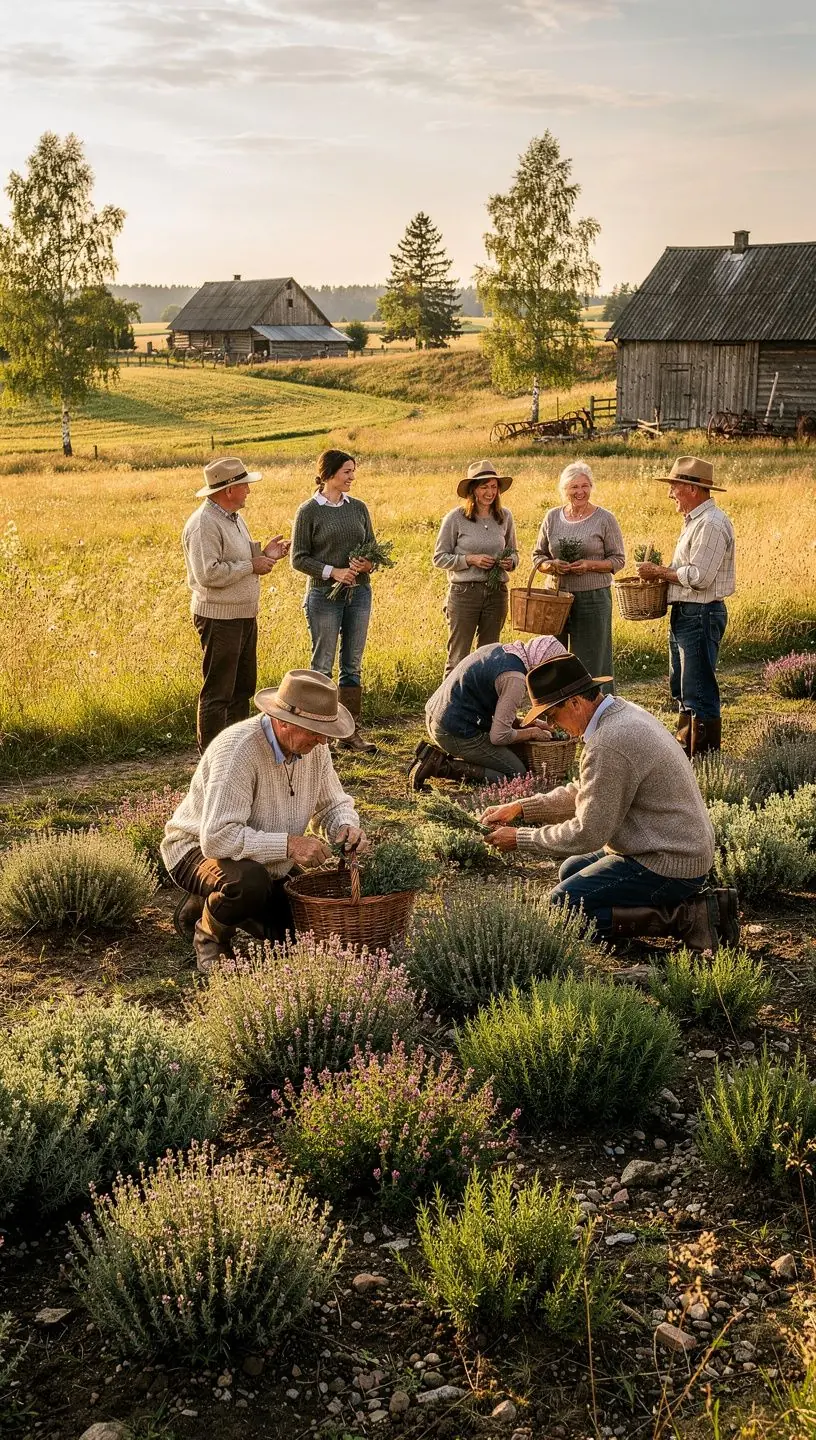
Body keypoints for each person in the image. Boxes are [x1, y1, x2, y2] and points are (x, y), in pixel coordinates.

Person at [482, 654, 738, 949]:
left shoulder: (609, 741)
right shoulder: (620, 713)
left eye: (553, 714)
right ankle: (677, 911)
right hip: (672, 847)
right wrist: (522, 808)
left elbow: (588, 833)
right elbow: (589, 792)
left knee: (561, 908)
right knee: (571, 870)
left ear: (575, 703)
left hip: (669, 863)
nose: (552, 724)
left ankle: (689, 917)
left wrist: (520, 838)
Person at [161, 670, 368, 973]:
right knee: (249, 884)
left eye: (326, 730)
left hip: (265, 860)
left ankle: (211, 903)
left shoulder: (315, 748)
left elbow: (332, 803)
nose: (324, 740)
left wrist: (344, 826)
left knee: (297, 937)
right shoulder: (238, 750)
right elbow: (217, 838)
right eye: (315, 730)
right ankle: (209, 937)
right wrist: (289, 845)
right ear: (283, 721)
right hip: (196, 851)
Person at [182, 455, 290, 753]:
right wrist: (252, 564)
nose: (249, 491)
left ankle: (235, 753)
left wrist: (264, 552)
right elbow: (208, 574)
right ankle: (213, 759)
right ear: (228, 489)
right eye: (244, 485)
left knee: (242, 688)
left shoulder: (232, 517)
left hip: (242, 615)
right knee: (219, 692)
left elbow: (236, 556)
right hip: (219, 618)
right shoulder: (203, 524)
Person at [636, 456, 735, 758]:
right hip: (687, 612)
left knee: (698, 688)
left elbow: (700, 577)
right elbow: (689, 571)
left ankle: (702, 756)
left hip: (701, 613)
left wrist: (660, 573)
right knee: (681, 685)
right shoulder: (696, 522)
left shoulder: (712, 524)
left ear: (692, 489)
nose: (671, 493)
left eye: (675, 486)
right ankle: (686, 750)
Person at [290, 450, 380, 755]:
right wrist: (334, 572)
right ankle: (319, 736)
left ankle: (350, 733)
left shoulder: (359, 508)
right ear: (328, 474)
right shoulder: (308, 511)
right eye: (346, 472)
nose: (352, 477)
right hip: (323, 598)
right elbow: (299, 558)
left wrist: (367, 565)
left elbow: (373, 549)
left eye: (353, 471)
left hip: (359, 594)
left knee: (352, 666)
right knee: (322, 667)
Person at [409, 635, 566, 789]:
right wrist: (532, 732)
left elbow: (498, 712)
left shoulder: (503, 650)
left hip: (437, 716)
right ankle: (440, 766)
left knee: (510, 758)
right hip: (453, 731)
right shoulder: (515, 679)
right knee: (518, 775)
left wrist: (527, 723)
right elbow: (499, 736)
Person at [532, 461, 625, 690]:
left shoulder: (605, 519)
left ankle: (598, 711)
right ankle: (556, 710)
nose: (580, 492)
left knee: (592, 660)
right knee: (554, 658)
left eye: (585, 486)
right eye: (574, 487)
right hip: (555, 599)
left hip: (593, 598)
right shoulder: (552, 517)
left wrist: (589, 565)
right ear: (565, 490)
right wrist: (552, 565)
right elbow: (537, 557)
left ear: (591, 487)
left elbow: (618, 560)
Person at [433, 460, 519, 677]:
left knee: (490, 656)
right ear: (473, 490)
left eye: (493, 486)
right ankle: (448, 708)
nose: (490, 492)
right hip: (464, 594)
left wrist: (511, 562)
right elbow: (439, 558)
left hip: (496, 592)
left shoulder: (505, 516)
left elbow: (514, 551)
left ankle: (484, 708)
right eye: (484, 487)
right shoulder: (456, 518)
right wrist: (470, 559)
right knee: (458, 657)